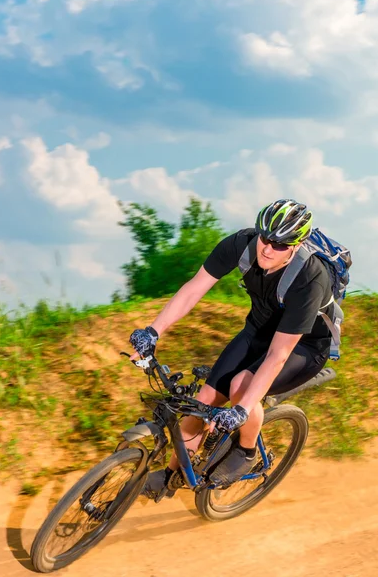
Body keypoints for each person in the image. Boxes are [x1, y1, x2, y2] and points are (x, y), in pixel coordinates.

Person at [129, 199, 334, 495]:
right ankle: (171, 475)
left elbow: (278, 355)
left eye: (280, 245)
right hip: (258, 331)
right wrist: (153, 330)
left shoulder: (310, 277)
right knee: (204, 401)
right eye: (265, 238)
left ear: (297, 244)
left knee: (241, 387)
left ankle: (246, 452)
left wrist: (240, 409)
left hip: (304, 347)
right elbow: (194, 288)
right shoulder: (241, 244)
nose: (267, 249)